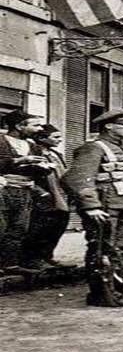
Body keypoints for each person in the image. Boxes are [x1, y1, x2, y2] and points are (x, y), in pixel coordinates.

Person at [62, 110, 123, 307]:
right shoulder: (94, 148)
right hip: (105, 207)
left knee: (120, 249)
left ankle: (114, 290)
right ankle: (101, 294)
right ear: (109, 126)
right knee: (102, 249)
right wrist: (91, 206)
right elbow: (76, 179)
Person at [0, 110, 48, 276]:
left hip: (24, 190)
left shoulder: (33, 146)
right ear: (19, 126)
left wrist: (43, 168)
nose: (40, 129)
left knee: (19, 227)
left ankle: (10, 264)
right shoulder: (1, 141)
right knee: (1, 227)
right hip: (3, 189)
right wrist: (18, 160)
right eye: (35, 125)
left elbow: (37, 171)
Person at [21, 124, 71, 271]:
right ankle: (32, 259)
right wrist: (40, 193)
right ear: (42, 138)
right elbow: (28, 175)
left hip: (59, 196)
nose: (60, 140)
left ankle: (47, 256)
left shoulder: (56, 154)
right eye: (56, 137)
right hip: (43, 196)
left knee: (58, 225)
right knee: (39, 228)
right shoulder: (33, 153)